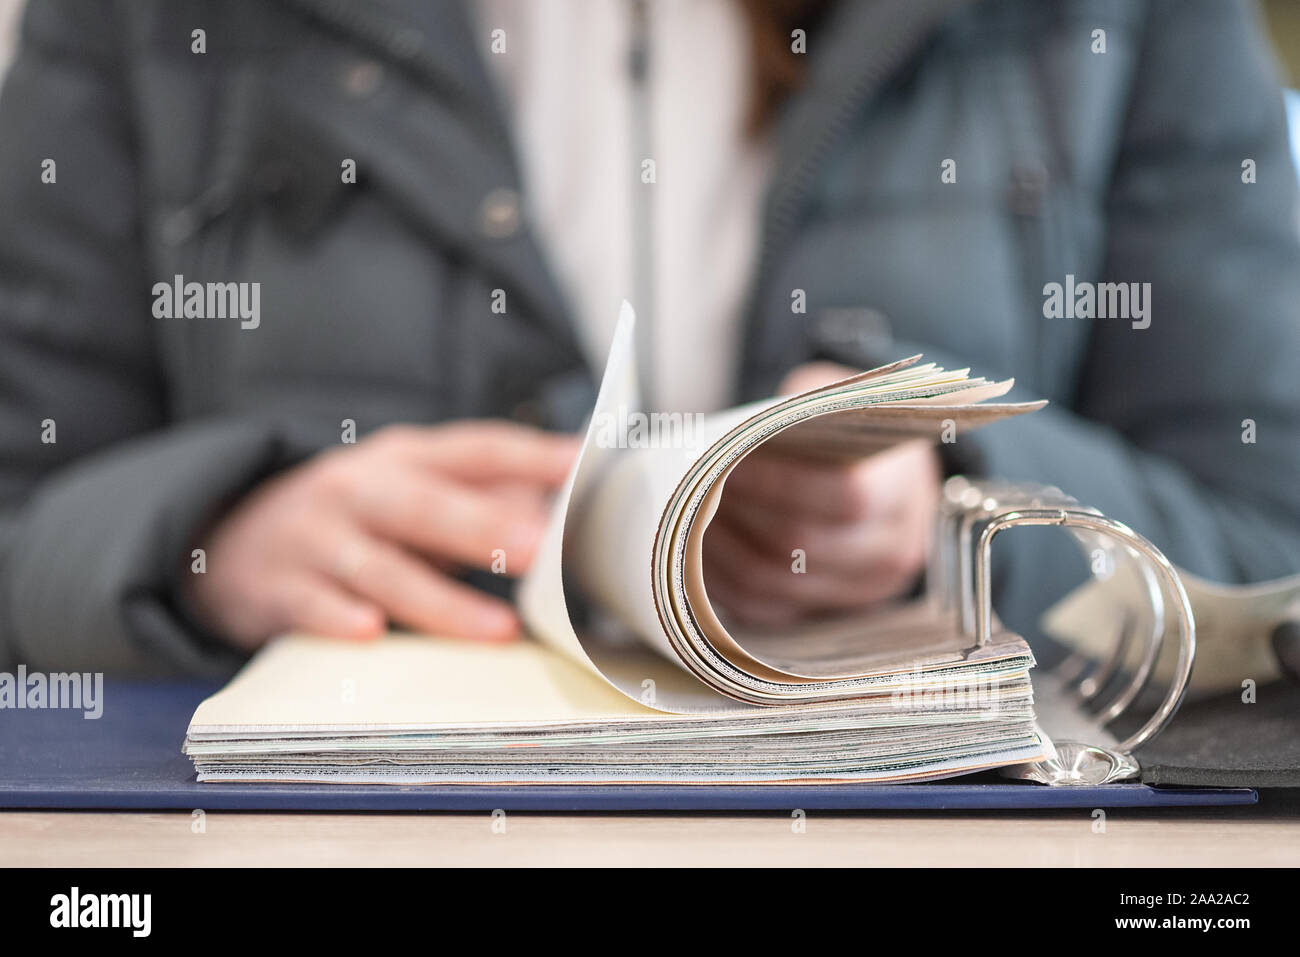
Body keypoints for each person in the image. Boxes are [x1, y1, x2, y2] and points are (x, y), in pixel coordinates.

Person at [1, 0, 1298, 676]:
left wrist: (959, 519)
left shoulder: (1121, 22)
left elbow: (1270, 555)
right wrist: (202, 542)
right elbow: (22, 516)